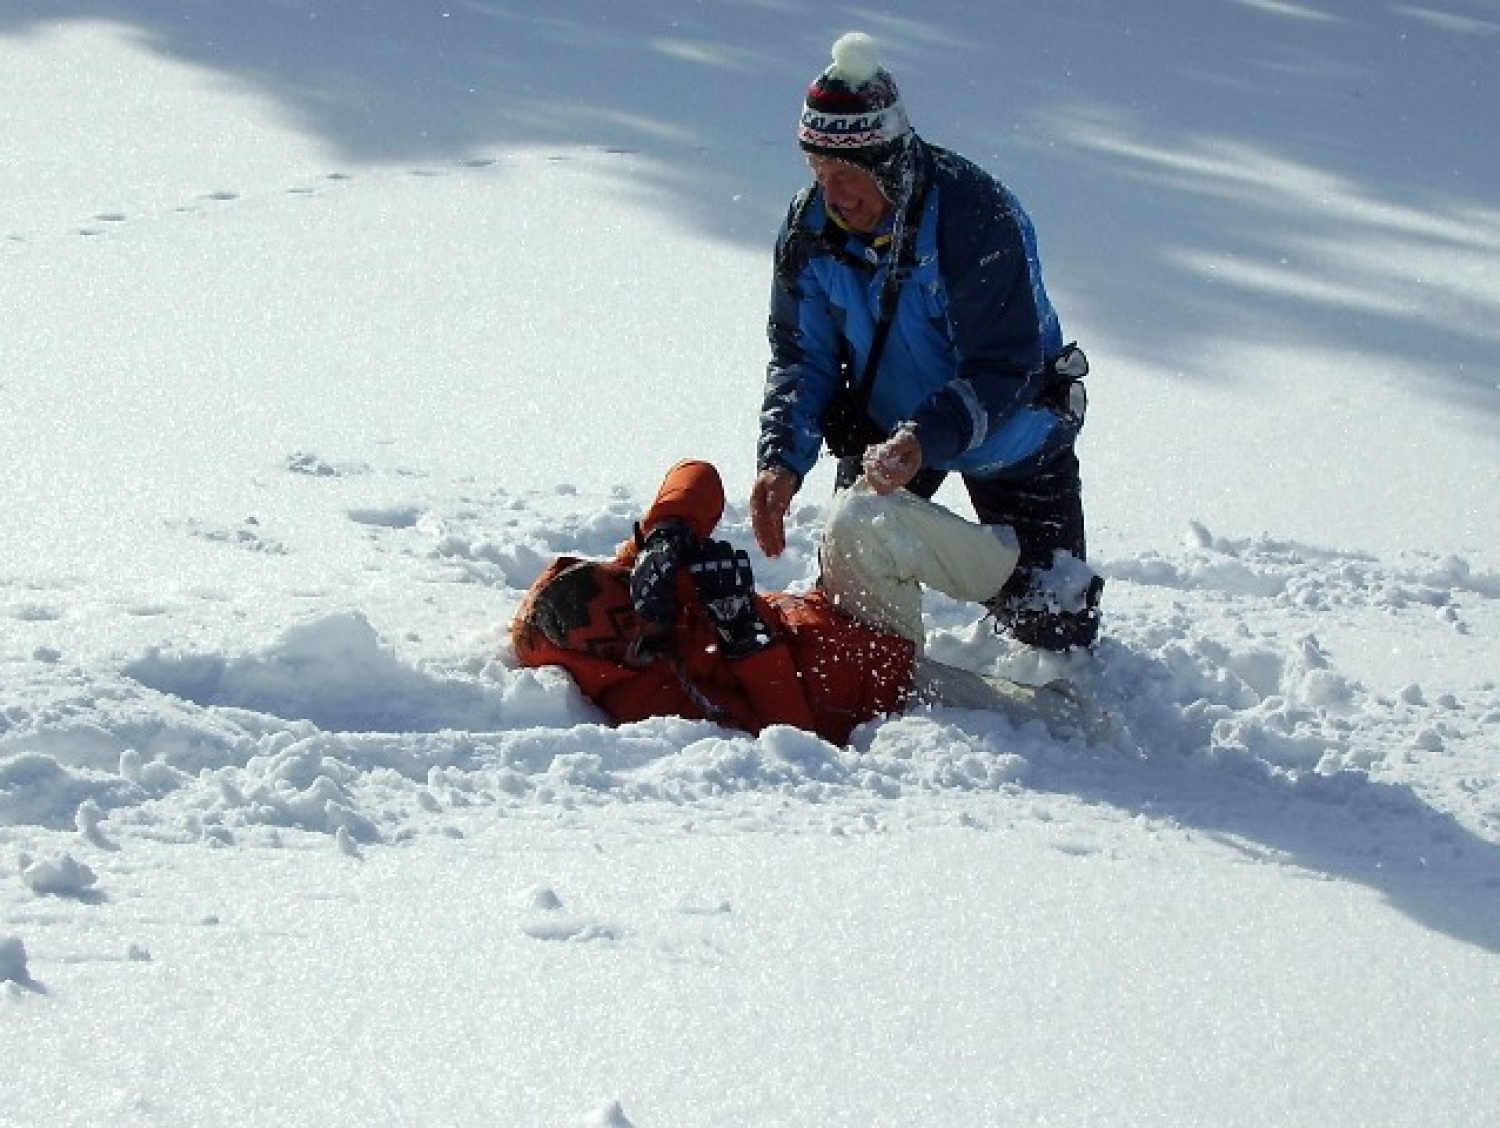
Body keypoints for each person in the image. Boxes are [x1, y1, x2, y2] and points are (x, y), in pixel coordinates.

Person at [751, 31, 1104, 652]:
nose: (833, 194)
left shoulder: (974, 215)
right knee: (852, 598)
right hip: (886, 432)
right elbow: (801, 356)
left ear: (888, 164)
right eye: (818, 170)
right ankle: (888, 682)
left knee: (1055, 622)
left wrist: (928, 437)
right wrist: (781, 459)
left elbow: (1008, 364)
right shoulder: (810, 228)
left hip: (1008, 430)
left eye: (848, 174)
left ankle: (1032, 595)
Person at [511, 459, 1027, 745]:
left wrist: (668, 534)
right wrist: (745, 636)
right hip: (878, 693)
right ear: (616, 657)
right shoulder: (646, 705)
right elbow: (788, 738)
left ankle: (1016, 574)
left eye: (631, 589)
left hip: (841, 616)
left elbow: (697, 475)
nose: (648, 609)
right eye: (636, 625)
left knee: (859, 509)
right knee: (1041, 722)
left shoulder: (629, 576)